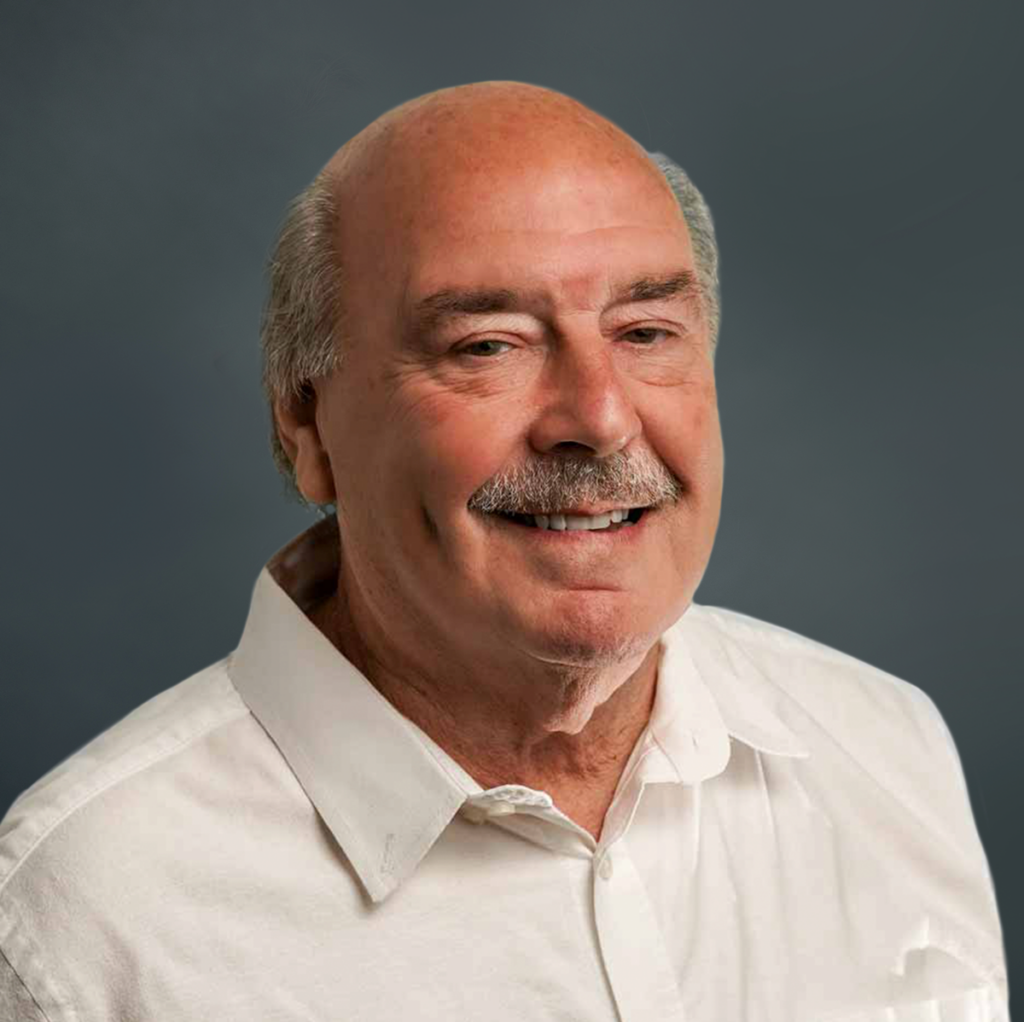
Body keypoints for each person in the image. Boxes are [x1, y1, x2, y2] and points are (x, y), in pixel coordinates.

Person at [0, 80, 1009, 1021]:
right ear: (307, 427)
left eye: (647, 330)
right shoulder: (86, 913)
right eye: (487, 345)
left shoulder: (883, 748)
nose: (601, 419)